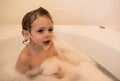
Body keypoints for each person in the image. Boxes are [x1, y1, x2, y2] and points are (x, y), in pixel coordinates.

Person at [15, 7, 64, 79]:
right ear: (27, 35)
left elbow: (56, 55)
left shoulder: (51, 45)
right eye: (41, 31)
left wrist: (59, 68)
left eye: (50, 29)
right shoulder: (25, 57)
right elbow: (18, 77)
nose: (48, 34)